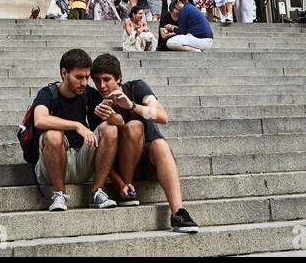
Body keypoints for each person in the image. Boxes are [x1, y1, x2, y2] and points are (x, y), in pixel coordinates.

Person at [90, 52, 199, 231]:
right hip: (120, 164)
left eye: (106, 79)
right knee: (131, 127)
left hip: (149, 159)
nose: (101, 85)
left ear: (119, 78)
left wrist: (132, 106)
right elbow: (100, 152)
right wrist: (120, 183)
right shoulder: (96, 103)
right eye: (97, 80)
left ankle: (178, 212)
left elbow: (162, 117)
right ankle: (126, 190)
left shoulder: (137, 88)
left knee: (158, 142)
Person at [29, 49, 120, 212]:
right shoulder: (48, 93)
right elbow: (40, 119)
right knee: (53, 134)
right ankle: (59, 194)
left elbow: (118, 123)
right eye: (79, 77)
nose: (85, 82)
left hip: (81, 161)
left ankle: (97, 191)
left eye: (87, 77)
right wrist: (77, 125)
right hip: (50, 166)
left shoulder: (88, 94)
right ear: (64, 73)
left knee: (110, 129)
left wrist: (116, 111)